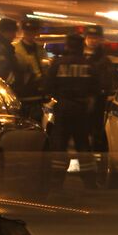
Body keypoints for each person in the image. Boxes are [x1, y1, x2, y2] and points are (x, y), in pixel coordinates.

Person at [46, 31, 99, 190]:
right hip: (81, 110)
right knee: (83, 145)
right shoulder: (89, 65)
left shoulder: (58, 64)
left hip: (63, 108)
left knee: (60, 145)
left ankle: (57, 181)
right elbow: (96, 87)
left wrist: (60, 98)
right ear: (82, 47)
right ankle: (89, 182)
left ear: (67, 46)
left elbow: (48, 85)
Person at [83, 24, 115, 153]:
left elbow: (107, 82)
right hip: (79, 101)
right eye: (90, 37)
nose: (93, 40)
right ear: (85, 38)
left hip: (97, 102)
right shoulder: (77, 56)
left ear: (101, 39)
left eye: (96, 37)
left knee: (97, 133)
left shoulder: (104, 60)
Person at [14, 16, 46, 122]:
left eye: (33, 32)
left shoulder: (40, 49)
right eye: (27, 32)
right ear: (23, 31)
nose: (30, 35)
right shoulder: (15, 49)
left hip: (37, 95)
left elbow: (44, 68)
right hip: (22, 94)